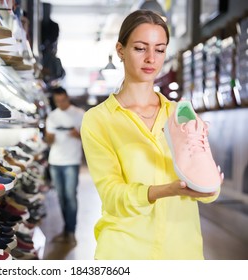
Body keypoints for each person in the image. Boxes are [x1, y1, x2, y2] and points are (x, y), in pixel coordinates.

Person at [80, 10, 221, 259]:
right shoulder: (98, 119)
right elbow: (112, 196)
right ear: (121, 50)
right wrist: (166, 190)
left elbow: (207, 186)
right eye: (140, 48)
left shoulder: (181, 114)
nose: (150, 59)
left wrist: (209, 187)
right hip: (125, 252)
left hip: (183, 251)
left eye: (159, 49)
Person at [45, 86, 85, 243]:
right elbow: (49, 142)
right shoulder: (52, 117)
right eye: (58, 101)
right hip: (55, 161)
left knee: (71, 196)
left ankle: (71, 231)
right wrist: (49, 137)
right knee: (61, 198)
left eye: (63, 100)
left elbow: (88, 138)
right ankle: (66, 228)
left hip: (71, 161)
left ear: (67, 97)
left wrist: (78, 135)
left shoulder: (79, 114)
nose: (61, 103)